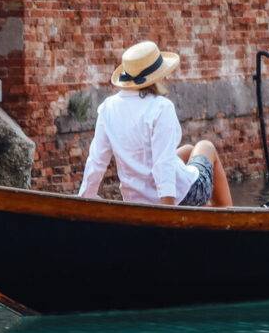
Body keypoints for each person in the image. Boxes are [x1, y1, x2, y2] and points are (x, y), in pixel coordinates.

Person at [77, 40, 234, 208]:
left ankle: (207, 215)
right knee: (206, 146)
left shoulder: (107, 107)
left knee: (188, 150)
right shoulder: (160, 107)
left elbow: (97, 160)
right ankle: (229, 217)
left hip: (136, 200)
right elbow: (163, 163)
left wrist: (86, 197)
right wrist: (167, 210)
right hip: (180, 197)